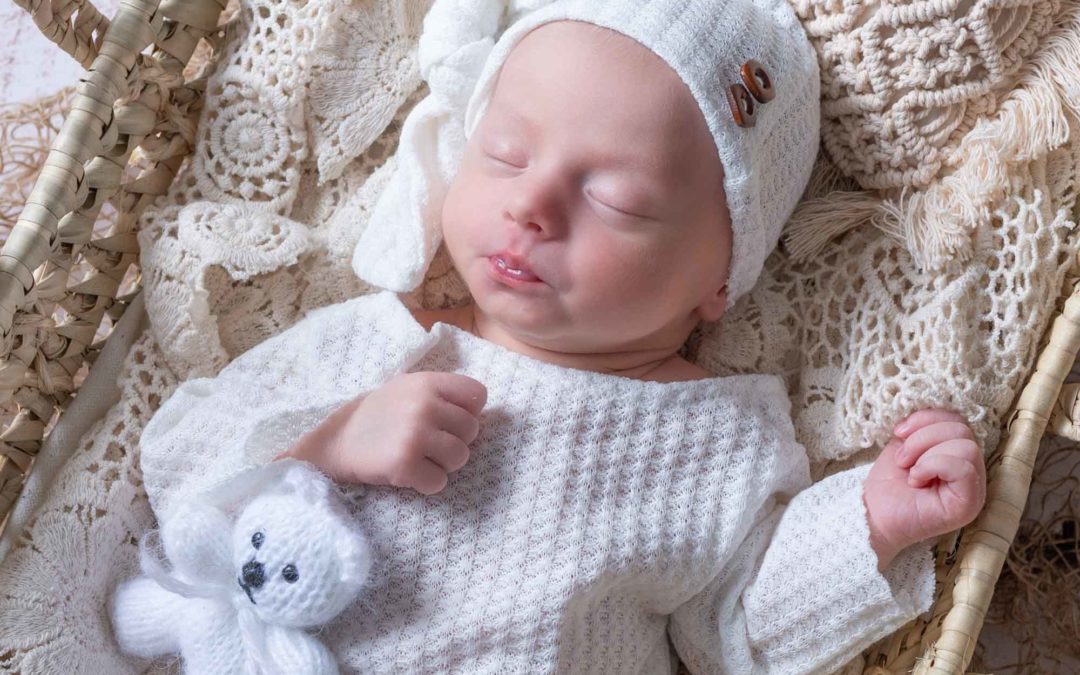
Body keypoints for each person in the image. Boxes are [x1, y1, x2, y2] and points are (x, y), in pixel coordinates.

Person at [136, 1, 987, 673]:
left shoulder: (721, 437)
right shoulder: (388, 343)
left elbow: (734, 635)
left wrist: (868, 525)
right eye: (504, 154)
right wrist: (325, 443)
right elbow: (179, 451)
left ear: (719, 278)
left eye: (614, 199)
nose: (530, 205)